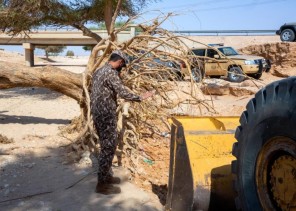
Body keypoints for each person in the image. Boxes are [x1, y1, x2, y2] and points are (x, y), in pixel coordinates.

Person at [90, 50, 152, 195]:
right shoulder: (110, 73)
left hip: (98, 113)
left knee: (107, 144)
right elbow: (122, 92)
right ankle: (101, 184)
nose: (121, 69)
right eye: (122, 66)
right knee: (108, 146)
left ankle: (106, 177)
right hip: (105, 114)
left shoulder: (99, 71)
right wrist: (140, 97)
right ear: (119, 62)